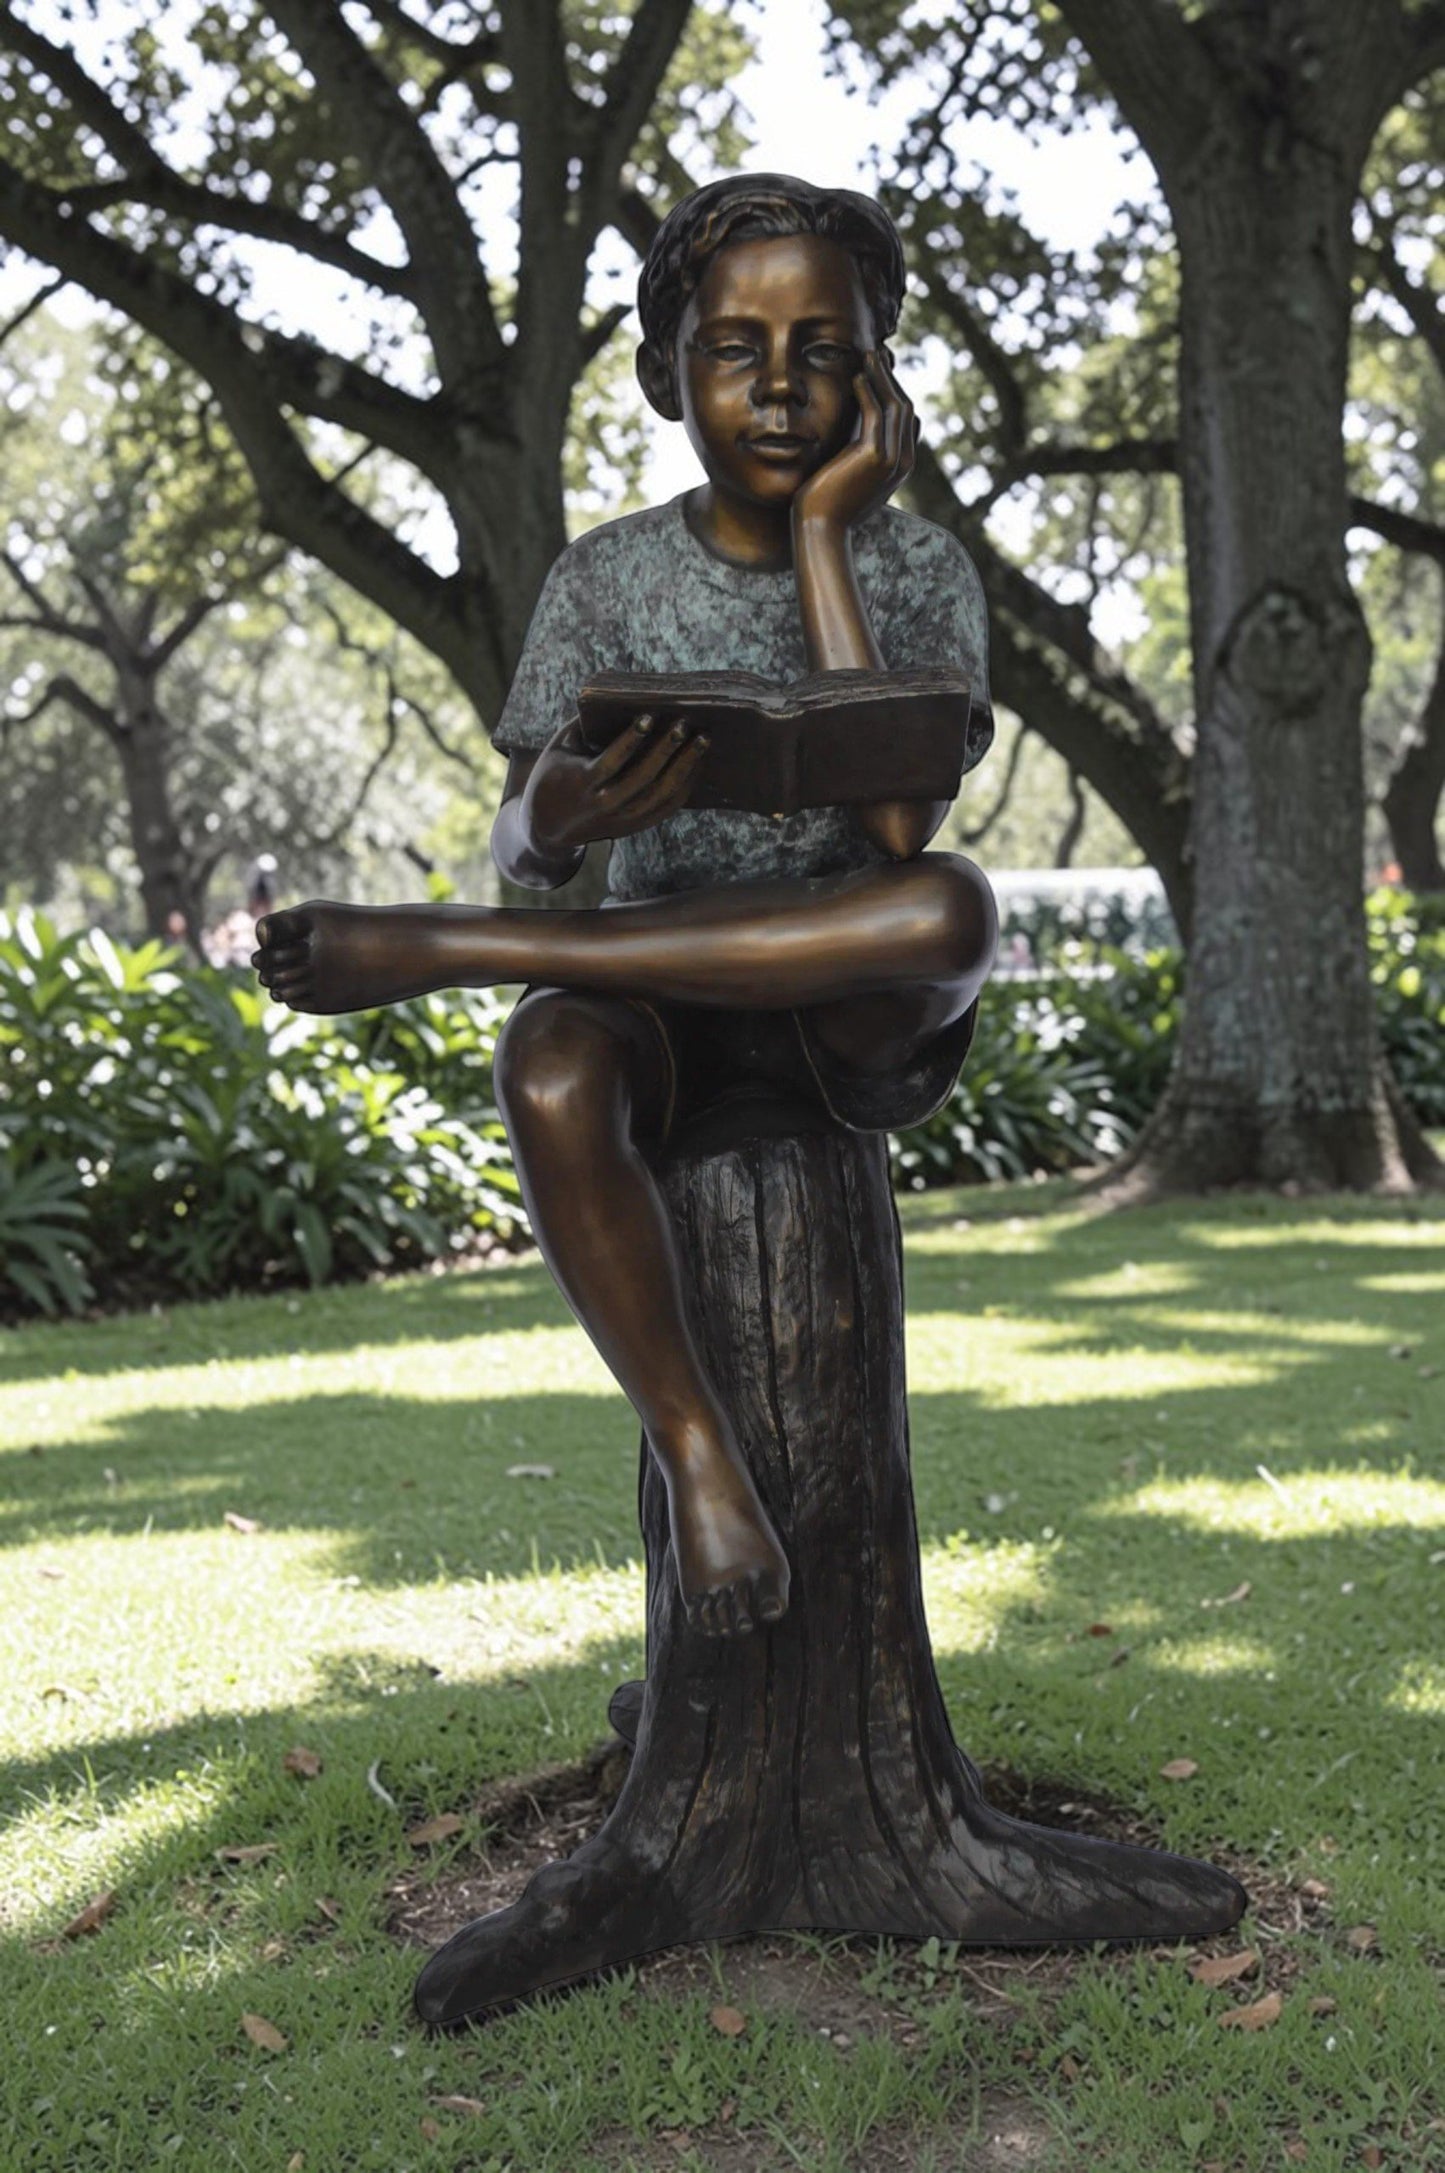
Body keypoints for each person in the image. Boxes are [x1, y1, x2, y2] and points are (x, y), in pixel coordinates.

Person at [253, 173, 998, 1645]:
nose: (778, 388)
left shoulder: (917, 567)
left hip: (842, 1004)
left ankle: (452, 951)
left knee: (948, 910)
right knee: (544, 1061)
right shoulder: (605, 577)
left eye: (821, 351)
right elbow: (527, 823)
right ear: (669, 369)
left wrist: (830, 546)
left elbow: (900, 823)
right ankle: (697, 1448)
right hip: (656, 994)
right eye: (735, 347)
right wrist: (569, 812)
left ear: (876, 376)